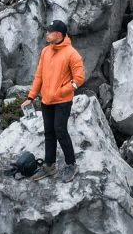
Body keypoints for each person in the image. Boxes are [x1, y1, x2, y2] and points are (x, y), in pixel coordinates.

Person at [21, 20, 85, 182]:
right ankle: (50, 166)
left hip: (62, 101)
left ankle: (71, 164)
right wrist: (31, 97)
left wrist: (62, 91)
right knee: (49, 132)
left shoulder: (72, 54)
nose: (46, 34)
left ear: (58, 35)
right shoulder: (45, 52)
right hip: (46, 101)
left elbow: (79, 78)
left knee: (60, 131)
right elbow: (39, 76)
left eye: (49, 32)